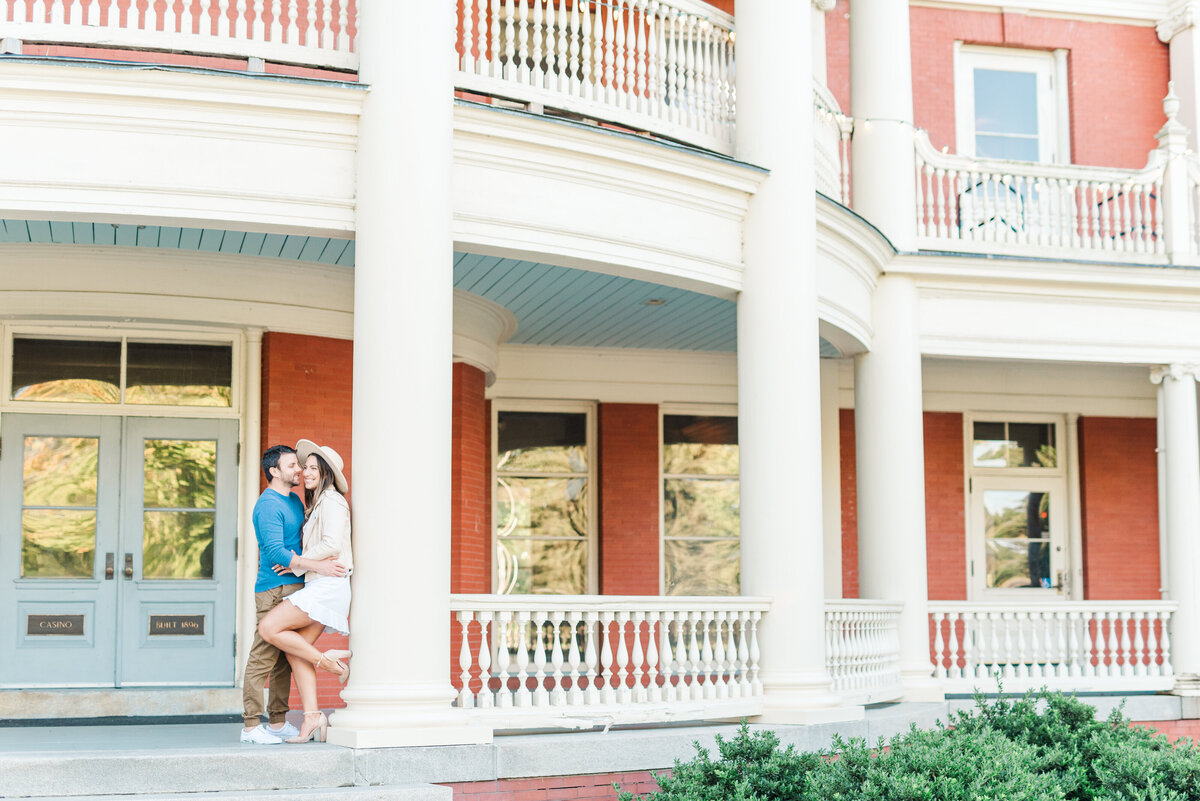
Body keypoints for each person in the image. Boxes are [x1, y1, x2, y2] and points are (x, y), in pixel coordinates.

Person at [241, 444, 341, 744]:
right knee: (263, 656)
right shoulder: (268, 503)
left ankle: (278, 720)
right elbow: (273, 551)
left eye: (299, 466)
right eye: (292, 466)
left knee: (287, 656)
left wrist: (300, 567)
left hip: (296, 586)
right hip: (272, 587)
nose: (298, 470)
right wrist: (315, 566)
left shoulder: (297, 501)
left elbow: (300, 543)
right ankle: (249, 726)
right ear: (274, 471)